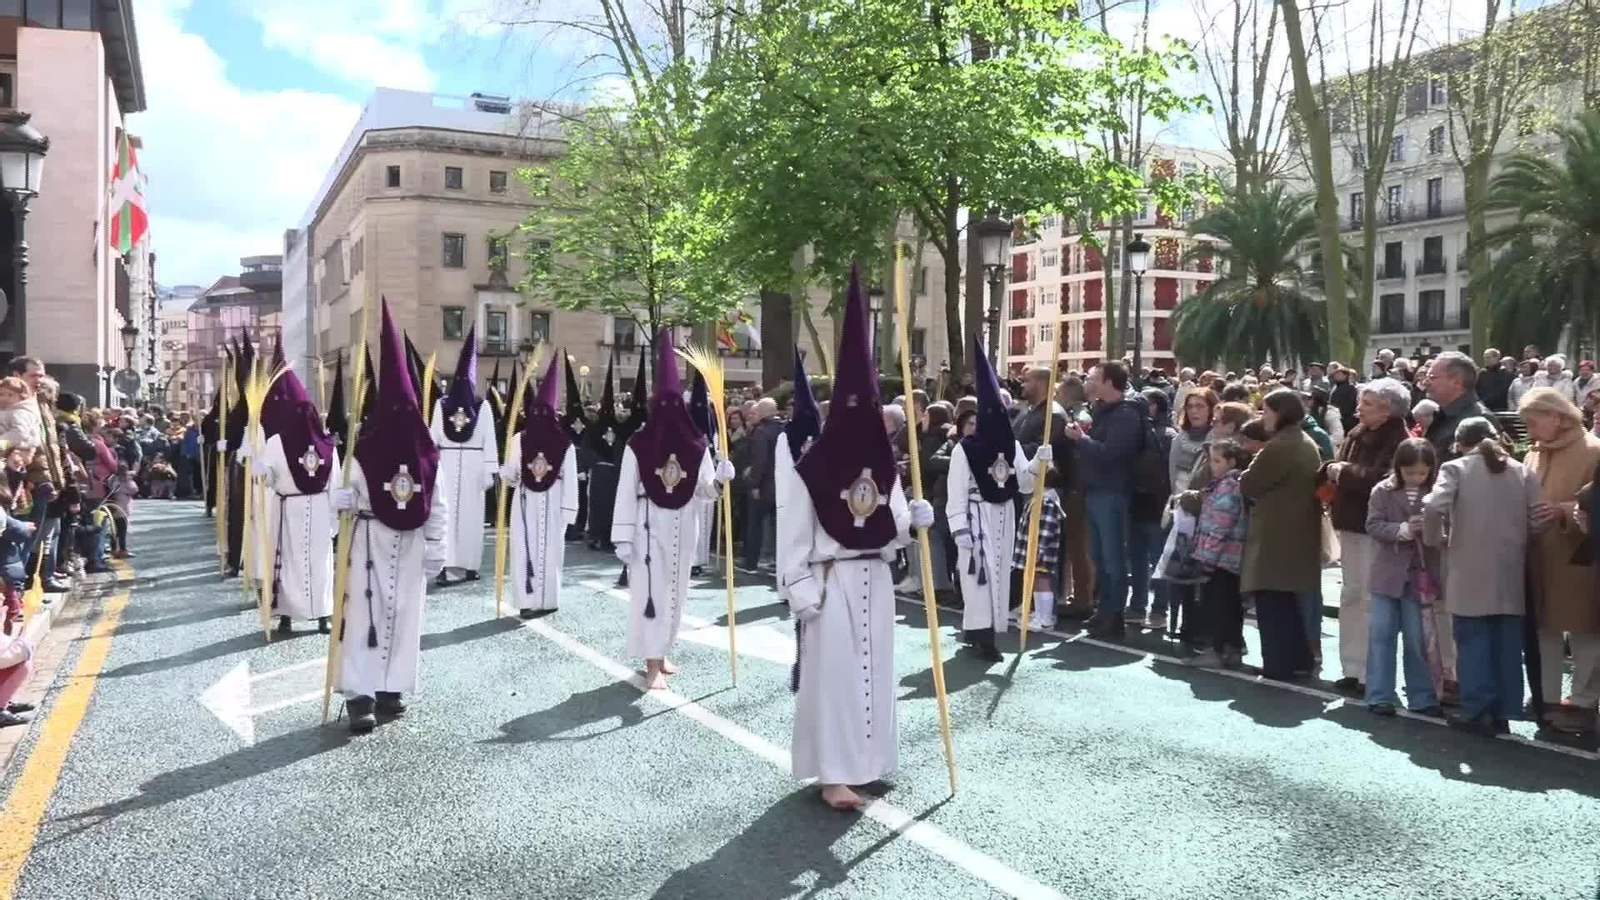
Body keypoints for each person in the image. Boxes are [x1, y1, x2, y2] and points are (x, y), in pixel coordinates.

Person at [777, 270, 934, 811]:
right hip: (833, 583)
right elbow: (794, 536)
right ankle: (834, 775)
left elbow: (891, 528)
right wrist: (803, 592)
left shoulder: (884, 467)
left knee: (875, 675)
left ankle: (868, 763)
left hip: (875, 580)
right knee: (836, 681)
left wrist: (914, 521)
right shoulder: (811, 468)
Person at [329, 300, 449, 735]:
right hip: (367, 544)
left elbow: (437, 503)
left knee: (403, 618)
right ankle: (359, 695)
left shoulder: (428, 454)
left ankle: (390, 689)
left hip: (411, 546)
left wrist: (437, 549)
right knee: (363, 618)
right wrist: (340, 499)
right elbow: (339, 496)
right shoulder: (361, 449)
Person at [611, 334, 734, 691]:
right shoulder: (638, 443)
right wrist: (622, 537)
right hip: (648, 527)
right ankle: (651, 663)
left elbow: (705, 491)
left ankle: (663, 651)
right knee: (651, 595)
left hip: (684, 525)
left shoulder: (697, 445)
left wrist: (721, 480)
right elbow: (625, 490)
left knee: (676, 593)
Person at [1425, 417, 1541, 735]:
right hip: (1510, 569)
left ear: (1461, 443)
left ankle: (1477, 710)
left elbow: (1433, 507)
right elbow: (1538, 519)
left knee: (1473, 642)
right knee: (1506, 645)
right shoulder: (1522, 471)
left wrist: (1436, 539)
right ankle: (1504, 710)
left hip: (1469, 568)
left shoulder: (1455, 468)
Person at [946, 336, 1040, 661]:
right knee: (977, 578)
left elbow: (1024, 483)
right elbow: (956, 490)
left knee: (998, 578)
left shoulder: (1012, 446)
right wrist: (959, 528)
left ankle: (981, 631)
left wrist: (1039, 462)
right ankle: (983, 638)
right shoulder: (965, 449)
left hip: (1004, 516)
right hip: (976, 516)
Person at [1518, 386, 1600, 734]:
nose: (1529, 430)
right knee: (1544, 629)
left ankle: (1583, 702)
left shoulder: (1594, 451)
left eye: (1533, 422)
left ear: (1556, 416)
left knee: (1586, 630)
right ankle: (1547, 697)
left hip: (1581, 556)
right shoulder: (1533, 453)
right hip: (1539, 555)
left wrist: (1562, 511)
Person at [1324, 378, 1411, 696]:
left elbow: (1385, 481)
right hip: (1350, 524)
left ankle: (1370, 671)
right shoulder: (1356, 433)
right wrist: (1331, 470)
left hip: (1375, 529)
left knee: (1371, 600)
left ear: (1387, 410)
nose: (1359, 408)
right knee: (1351, 595)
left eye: (1368, 403)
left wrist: (1343, 472)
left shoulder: (1400, 441)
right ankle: (1351, 667)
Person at [1239, 389, 1323, 680]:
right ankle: (1299, 660)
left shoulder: (1280, 445)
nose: (1262, 417)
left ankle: (1279, 663)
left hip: (1277, 531)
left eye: (1266, 411)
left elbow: (1249, 483)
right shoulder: (1302, 440)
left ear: (1280, 413)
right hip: (1294, 529)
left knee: (1271, 600)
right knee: (1285, 601)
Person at [251, 365, 337, 636]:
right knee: (297, 563)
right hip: (299, 510)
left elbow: (334, 482)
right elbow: (268, 478)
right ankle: (296, 615)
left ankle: (316, 613)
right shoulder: (284, 443)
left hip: (305, 509)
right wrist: (259, 470)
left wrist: (335, 516)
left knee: (309, 564)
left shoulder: (319, 445)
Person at [1362, 438, 1444, 717]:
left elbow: (1447, 529)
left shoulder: (1437, 493)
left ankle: (1422, 696)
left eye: (1422, 472)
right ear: (1398, 468)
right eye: (1410, 472)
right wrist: (1402, 530)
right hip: (1387, 575)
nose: (1416, 478)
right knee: (1381, 636)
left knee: (1418, 639)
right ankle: (1379, 695)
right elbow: (1373, 525)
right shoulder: (1382, 491)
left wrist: (1431, 529)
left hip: (1420, 575)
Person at [1064, 361, 1144, 640]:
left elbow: (1112, 454)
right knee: (1099, 556)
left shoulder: (1126, 415)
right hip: (1095, 492)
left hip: (1112, 493)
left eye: (1093, 378)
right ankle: (1104, 610)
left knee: (1113, 558)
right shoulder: (1103, 410)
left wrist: (1081, 439)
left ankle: (1114, 615)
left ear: (1109, 383)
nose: (1088, 382)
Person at [500, 352, 580, 619]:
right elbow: (570, 481)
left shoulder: (521, 439)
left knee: (533, 550)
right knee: (540, 549)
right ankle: (538, 600)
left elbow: (512, 475)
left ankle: (536, 600)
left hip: (531, 501)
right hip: (542, 501)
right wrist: (568, 512)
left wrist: (504, 473)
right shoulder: (563, 442)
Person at [429, 329, 496, 586]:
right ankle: (446, 564)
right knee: (448, 515)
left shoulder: (481, 407)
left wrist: (489, 470)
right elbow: (434, 439)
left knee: (470, 519)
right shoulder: (442, 406)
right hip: (451, 466)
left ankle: (469, 565)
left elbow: (489, 439)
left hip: (471, 468)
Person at [1182, 439, 1252, 668]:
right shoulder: (1226, 484)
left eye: (1217, 460)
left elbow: (1221, 524)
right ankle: (1231, 650)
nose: (1213, 465)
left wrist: (1207, 556)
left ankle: (1219, 650)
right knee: (1230, 604)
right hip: (1228, 557)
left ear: (1231, 462)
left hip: (1222, 557)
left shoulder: (1229, 485)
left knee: (1219, 604)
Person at [1128, 387, 1175, 626]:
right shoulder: (1139, 431)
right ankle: (1137, 606)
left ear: (1155, 406)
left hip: (1157, 506)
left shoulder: (1167, 435)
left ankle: (1159, 609)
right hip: (1137, 503)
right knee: (1137, 558)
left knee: (1158, 560)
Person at [1424, 351, 1499, 464]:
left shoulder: (1479, 420)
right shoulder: (1443, 415)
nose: (1425, 382)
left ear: (1457, 382)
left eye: (1432, 377)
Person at [584, 359, 624, 553]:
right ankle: (595, 536)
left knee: (612, 506)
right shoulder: (595, 428)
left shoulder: (618, 427)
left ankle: (608, 538)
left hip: (613, 473)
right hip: (600, 472)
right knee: (597, 505)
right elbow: (588, 447)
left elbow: (621, 447)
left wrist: (618, 465)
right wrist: (594, 464)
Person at [741, 397, 783, 573]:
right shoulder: (785, 429)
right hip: (782, 486)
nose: (754, 414)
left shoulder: (761, 432)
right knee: (779, 527)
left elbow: (760, 461)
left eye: (757, 411)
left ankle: (751, 562)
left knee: (755, 524)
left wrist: (754, 484)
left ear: (763, 413)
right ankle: (781, 563)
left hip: (764, 486)